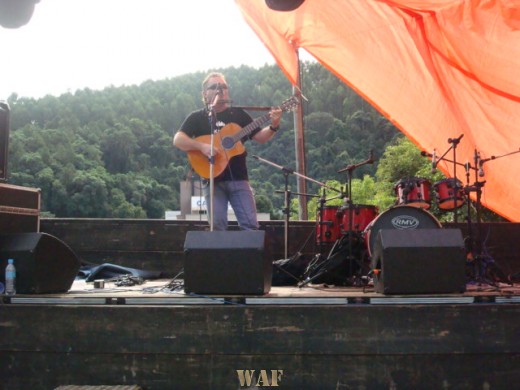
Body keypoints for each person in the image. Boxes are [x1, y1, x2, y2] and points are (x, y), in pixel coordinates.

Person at [173, 72, 283, 231]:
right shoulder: (198, 117)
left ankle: (248, 256)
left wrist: (274, 125)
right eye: (215, 87)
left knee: (250, 225)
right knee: (217, 227)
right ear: (205, 93)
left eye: (224, 86)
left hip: (239, 178)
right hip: (212, 181)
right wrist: (202, 147)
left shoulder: (238, 114)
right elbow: (178, 139)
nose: (221, 90)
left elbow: (260, 137)